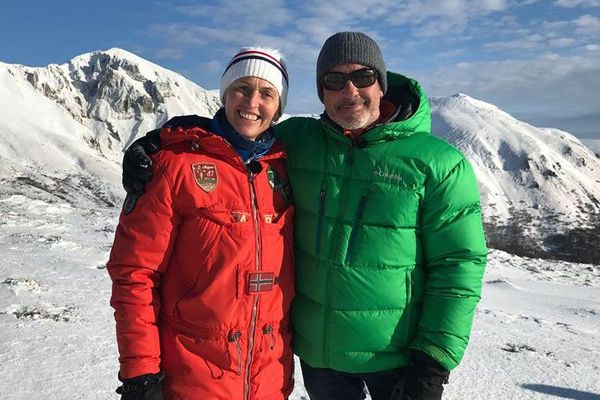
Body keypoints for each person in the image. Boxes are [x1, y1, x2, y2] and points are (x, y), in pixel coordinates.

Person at [123, 32, 488, 400]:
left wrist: (433, 362)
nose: (350, 91)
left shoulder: (439, 163)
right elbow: (241, 133)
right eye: (334, 80)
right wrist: (161, 141)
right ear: (320, 92)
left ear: (381, 83)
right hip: (319, 358)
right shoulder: (298, 140)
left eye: (363, 77)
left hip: (398, 359)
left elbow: (459, 264)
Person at [108, 47, 296, 400]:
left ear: (280, 107)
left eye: (267, 93)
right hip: (192, 379)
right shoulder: (174, 164)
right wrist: (140, 372)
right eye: (242, 88)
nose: (252, 102)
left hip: (268, 380)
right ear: (225, 93)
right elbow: (135, 272)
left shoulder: (285, 168)